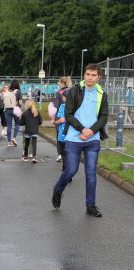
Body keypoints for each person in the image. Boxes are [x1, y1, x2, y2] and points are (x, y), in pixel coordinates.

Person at [52, 64, 108, 218]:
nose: (89, 77)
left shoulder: (102, 94)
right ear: (84, 75)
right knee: (71, 170)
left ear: (98, 77)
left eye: (93, 75)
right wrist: (83, 129)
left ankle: (91, 206)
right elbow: (68, 114)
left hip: (93, 138)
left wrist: (91, 131)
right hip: (73, 137)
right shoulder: (74, 91)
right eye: (87, 74)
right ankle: (58, 190)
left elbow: (104, 117)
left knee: (91, 173)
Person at [52, 76, 72, 162]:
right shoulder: (71, 91)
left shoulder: (59, 93)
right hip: (70, 116)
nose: (59, 84)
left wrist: (53, 118)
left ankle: (60, 154)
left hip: (60, 116)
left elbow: (56, 106)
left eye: (59, 83)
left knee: (59, 136)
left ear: (62, 83)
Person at [54, 89, 72, 183]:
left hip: (63, 134)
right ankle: (70, 171)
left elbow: (61, 119)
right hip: (73, 134)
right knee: (71, 154)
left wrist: (55, 122)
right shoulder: (76, 107)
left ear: (65, 97)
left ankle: (66, 171)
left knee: (64, 153)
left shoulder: (63, 106)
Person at [19, 99, 42, 163]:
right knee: (34, 144)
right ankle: (34, 157)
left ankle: (25, 157)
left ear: (27, 105)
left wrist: (20, 118)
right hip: (35, 130)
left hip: (28, 130)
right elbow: (40, 122)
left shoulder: (25, 113)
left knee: (27, 144)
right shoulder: (37, 112)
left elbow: (21, 123)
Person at [3, 80, 23, 146]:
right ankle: (14, 138)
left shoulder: (8, 91)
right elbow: (20, 103)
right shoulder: (18, 92)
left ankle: (8, 142)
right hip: (15, 109)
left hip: (7, 109)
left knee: (9, 125)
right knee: (17, 124)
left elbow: (3, 100)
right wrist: (19, 107)